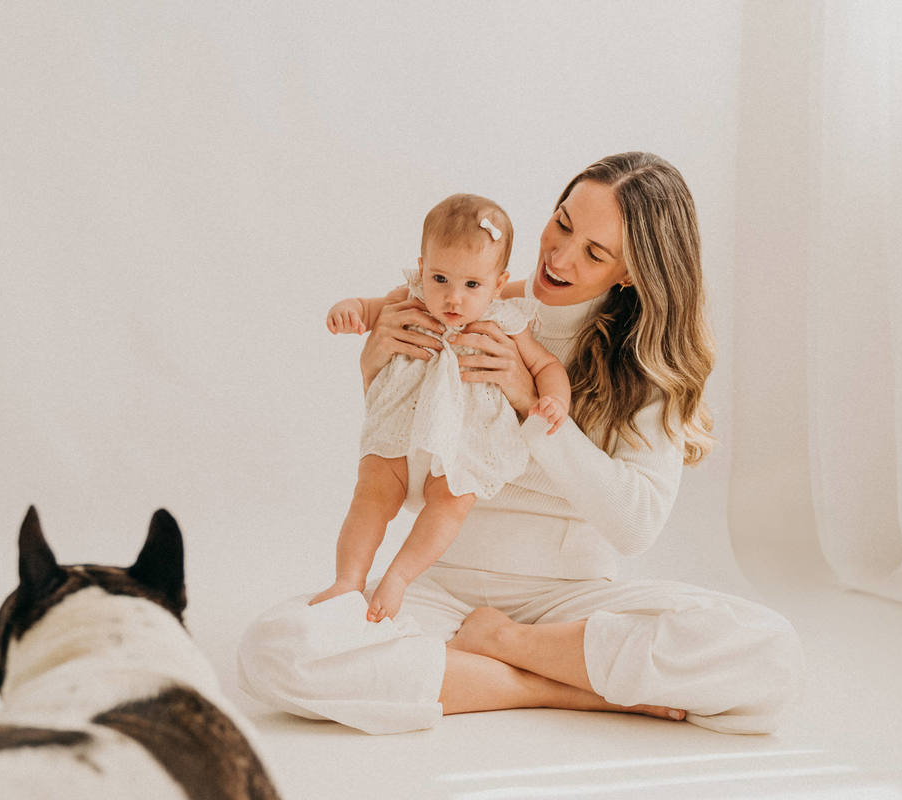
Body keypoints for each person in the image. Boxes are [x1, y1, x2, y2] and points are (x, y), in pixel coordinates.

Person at [239, 153, 804, 735]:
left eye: (594, 252)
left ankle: (506, 645)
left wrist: (529, 403)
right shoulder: (461, 297)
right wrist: (378, 374)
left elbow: (636, 526)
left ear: (631, 273)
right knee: (276, 649)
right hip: (439, 582)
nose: (558, 258)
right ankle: (561, 689)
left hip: (567, 604)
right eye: (562, 223)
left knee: (769, 655)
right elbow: (407, 489)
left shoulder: (644, 366)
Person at [312, 193, 570, 623]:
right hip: (398, 429)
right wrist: (348, 311)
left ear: (498, 280)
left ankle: (398, 578)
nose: (453, 298)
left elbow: (546, 363)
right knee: (370, 495)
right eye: (440, 278)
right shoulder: (409, 297)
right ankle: (348, 580)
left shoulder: (505, 318)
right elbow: (368, 308)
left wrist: (554, 398)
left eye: (472, 285)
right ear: (422, 266)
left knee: (450, 504)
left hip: (462, 441)